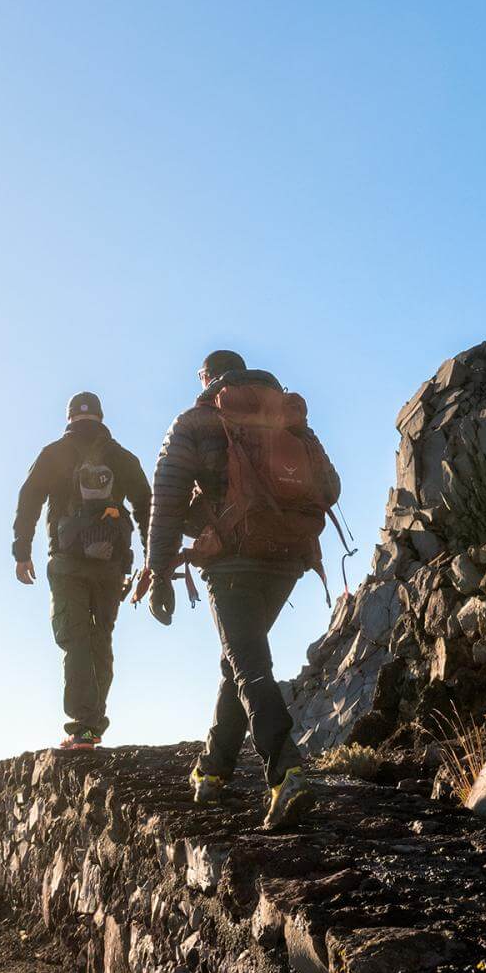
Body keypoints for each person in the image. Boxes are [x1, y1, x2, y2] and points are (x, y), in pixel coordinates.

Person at [142, 349, 340, 828]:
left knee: (248, 662)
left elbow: (166, 501)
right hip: (288, 559)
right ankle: (213, 770)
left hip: (231, 560)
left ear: (208, 378)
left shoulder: (194, 422)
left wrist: (160, 573)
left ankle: (285, 770)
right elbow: (329, 487)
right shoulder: (287, 417)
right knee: (239, 657)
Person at [13, 391, 151, 749]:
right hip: (111, 565)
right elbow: (146, 505)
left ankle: (82, 729)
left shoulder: (54, 454)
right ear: (101, 417)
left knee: (75, 640)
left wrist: (22, 550)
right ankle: (93, 726)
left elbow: (28, 499)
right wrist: (153, 557)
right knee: (100, 638)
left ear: (70, 417)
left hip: (68, 562)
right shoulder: (121, 457)